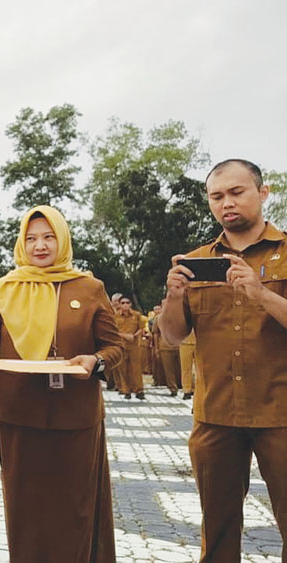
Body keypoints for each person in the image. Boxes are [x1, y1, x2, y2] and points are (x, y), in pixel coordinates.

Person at [0, 205, 122, 562]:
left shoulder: (89, 288)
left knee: (75, 508)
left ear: (63, 239)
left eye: (48, 237)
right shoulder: (4, 288)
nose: (40, 246)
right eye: (31, 238)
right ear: (22, 243)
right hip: (18, 414)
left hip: (76, 416)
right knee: (25, 508)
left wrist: (96, 361)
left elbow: (114, 347)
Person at [159, 158, 287, 561]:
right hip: (215, 414)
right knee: (217, 527)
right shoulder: (197, 261)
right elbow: (172, 335)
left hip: (281, 413)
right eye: (217, 196)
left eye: (236, 192)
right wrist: (174, 297)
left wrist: (261, 293)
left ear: (262, 193)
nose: (226, 203)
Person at [115, 295, 146, 400]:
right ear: (119, 305)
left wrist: (134, 335)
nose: (125, 305)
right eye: (123, 303)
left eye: (127, 303)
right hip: (121, 345)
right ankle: (126, 390)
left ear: (131, 304)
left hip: (134, 345)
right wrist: (124, 336)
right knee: (123, 369)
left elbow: (141, 328)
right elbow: (112, 330)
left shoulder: (136, 315)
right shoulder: (115, 316)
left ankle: (139, 390)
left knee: (136, 368)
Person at [153, 298, 181, 397]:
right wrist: (156, 348)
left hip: (179, 346)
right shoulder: (158, 318)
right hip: (165, 346)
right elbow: (156, 334)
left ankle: (180, 385)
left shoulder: (179, 316)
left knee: (179, 368)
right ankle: (173, 387)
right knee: (168, 369)